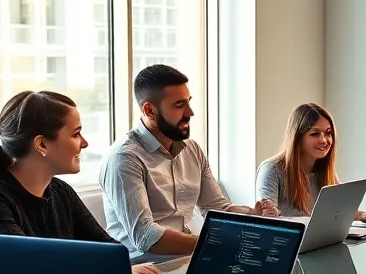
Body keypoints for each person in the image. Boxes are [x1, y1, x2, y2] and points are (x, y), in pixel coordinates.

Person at [0, 90, 168, 274]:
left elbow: (110, 253)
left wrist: (121, 268)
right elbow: (28, 272)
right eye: (76, 134)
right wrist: (110, 271)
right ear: (42, 144)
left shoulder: (60, 191)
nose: (84, 143)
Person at [100, 64, 277, 257]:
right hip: (143, 272)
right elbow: (146, 236)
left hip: (189, 261)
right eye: (179, 105)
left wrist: (251, 215)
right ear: (150, 111)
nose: (190, 112)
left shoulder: (192, 150)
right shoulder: (124, 158)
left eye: (188, 102)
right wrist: (214, 243)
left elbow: (215, 207)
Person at [255, 103, 366, 223]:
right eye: (315, 134)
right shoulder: (271, 170)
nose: (324, 140)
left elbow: (338, 209)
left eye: (328, 133)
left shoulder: (324, 170)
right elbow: (268, 220)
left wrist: (362, 215)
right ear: (298, 138)